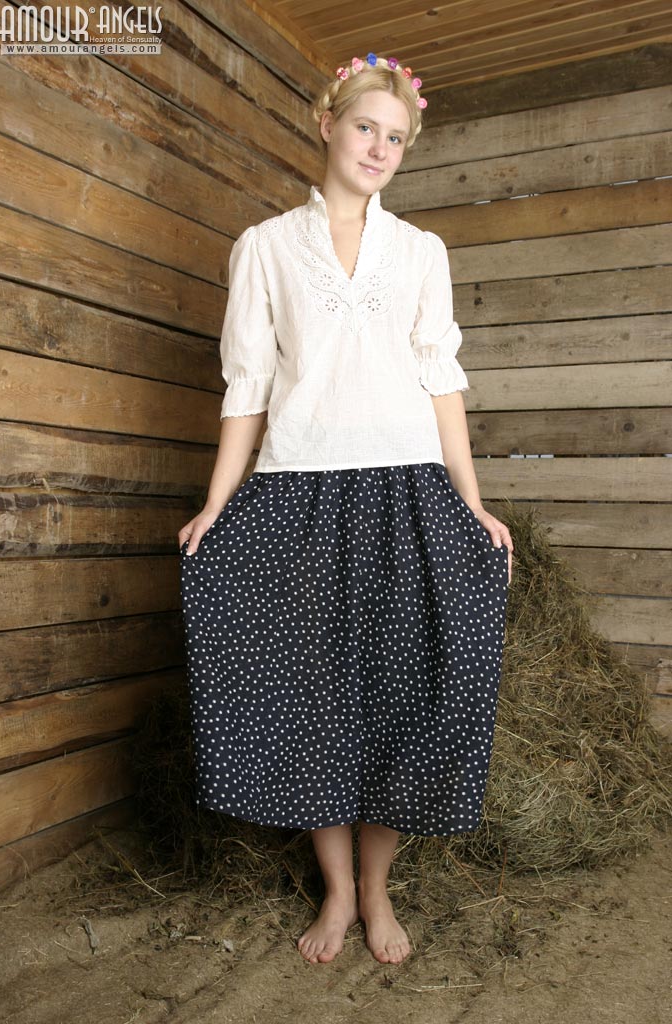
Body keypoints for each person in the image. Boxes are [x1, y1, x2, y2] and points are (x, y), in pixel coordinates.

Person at [178, 52, 513, 968]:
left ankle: (378, 889)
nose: (379, 148)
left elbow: (441, 380)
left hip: (407, 493)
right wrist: (218, 504)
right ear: (328, 124)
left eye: (396, 138)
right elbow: (246, 388)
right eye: (366, 127)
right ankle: (334, 889)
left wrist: (472, 506)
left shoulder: (421, 253)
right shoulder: (264, 247)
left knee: (405, 700)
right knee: (316, 699)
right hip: (298, 496)